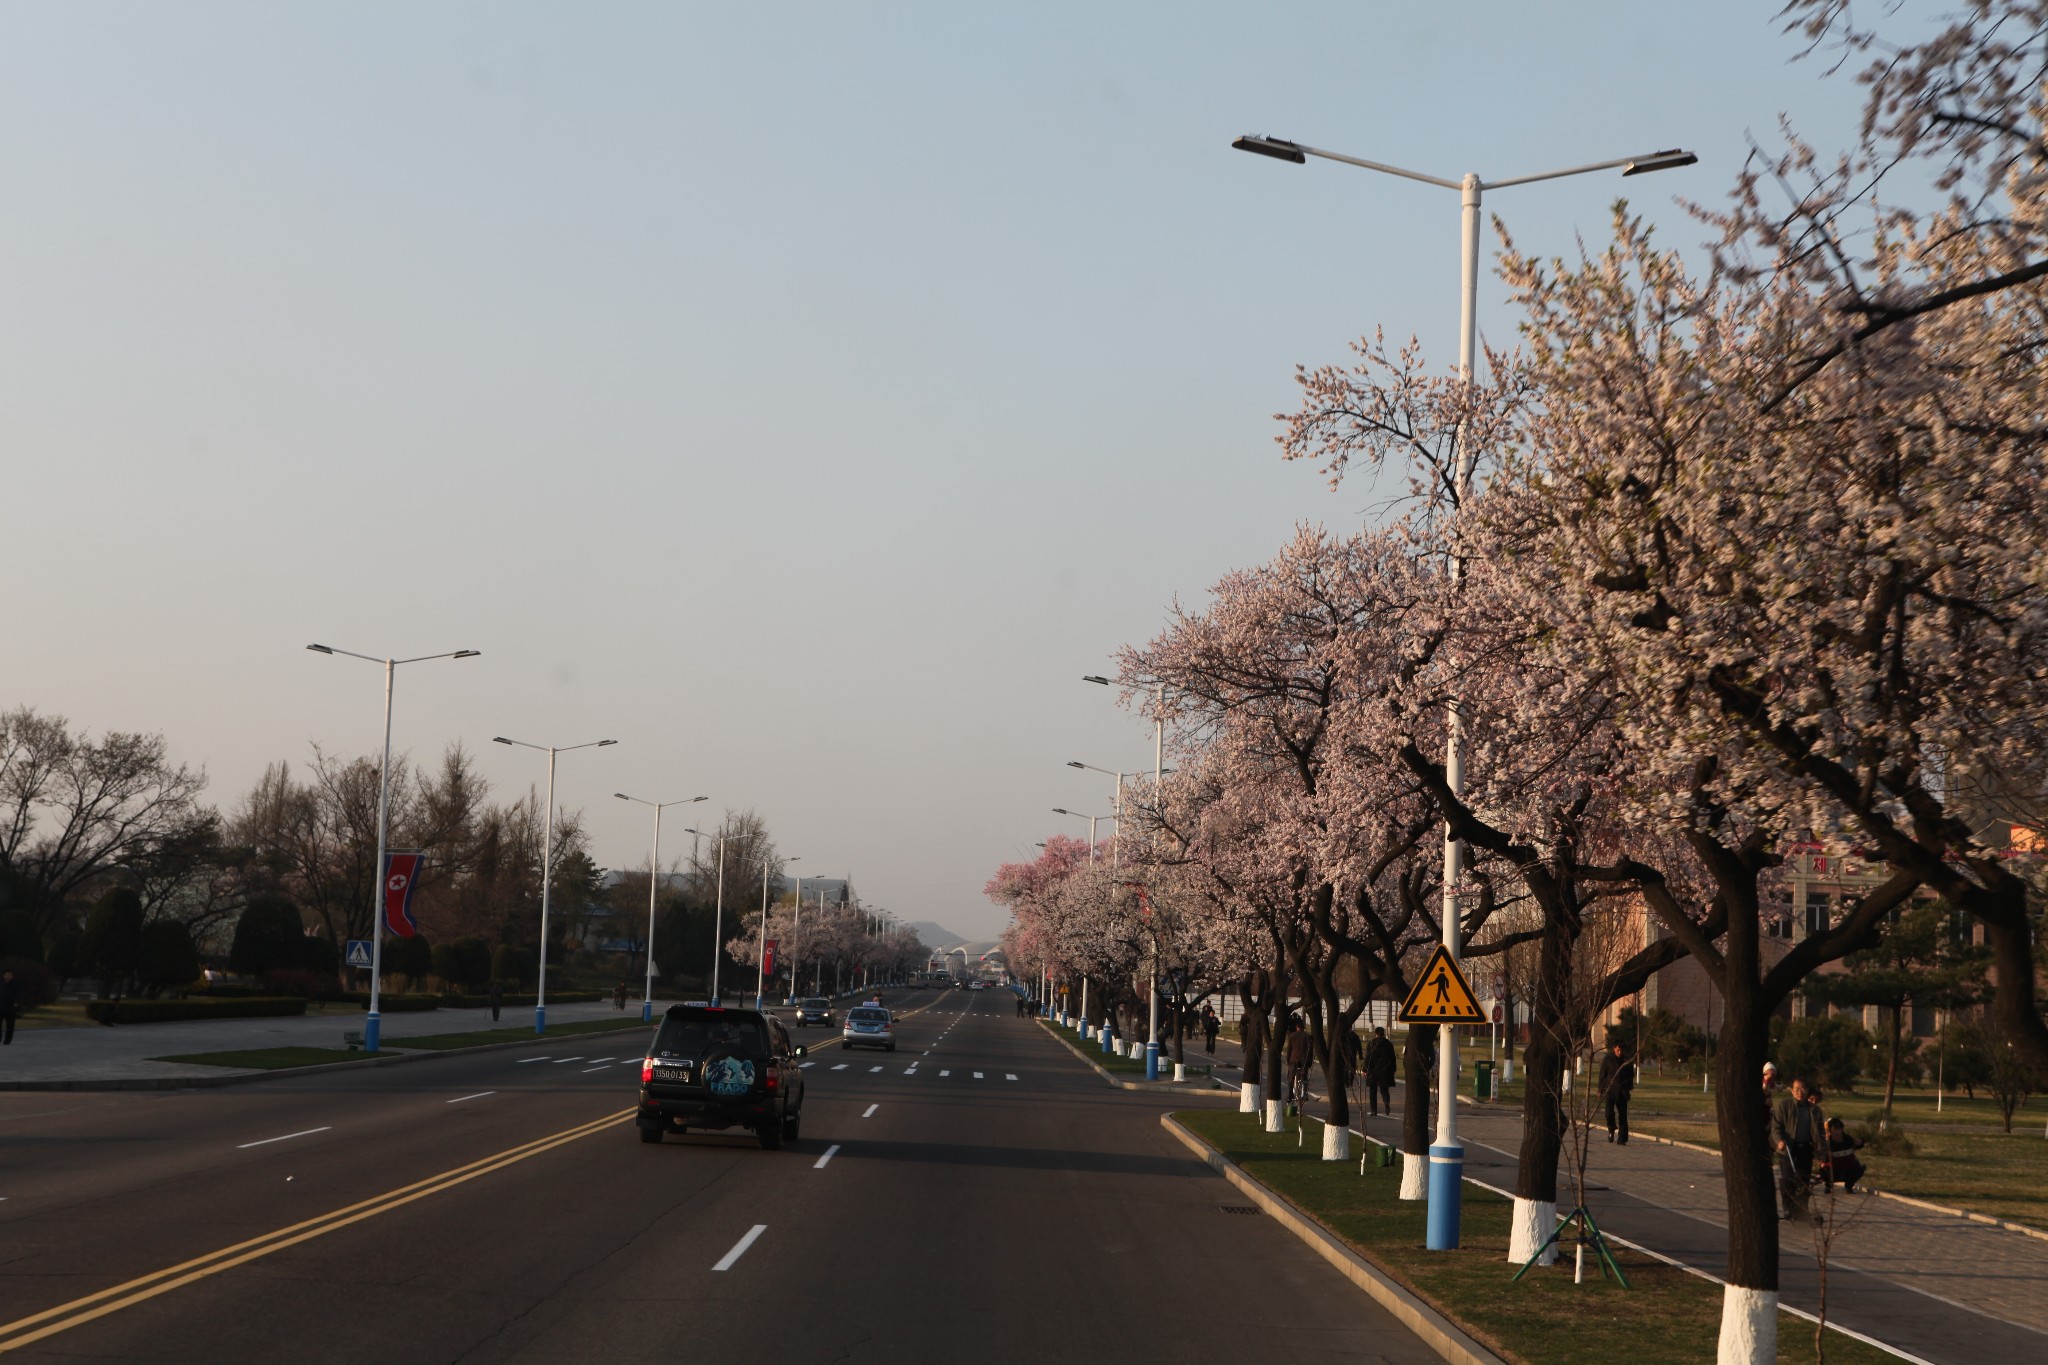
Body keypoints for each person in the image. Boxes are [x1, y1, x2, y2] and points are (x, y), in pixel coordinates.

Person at [1772, 1077, 1821, 1219]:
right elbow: (1776, 1127)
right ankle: (1788, 1209)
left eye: (1803, 1089)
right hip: (1787, 1149)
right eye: (1797, 1089)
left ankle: (1802, 1209)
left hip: (1805, 1149)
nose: (1800, 1092)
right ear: (1792, 1091)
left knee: (1804, 1181)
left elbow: (1820, 1133)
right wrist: (1779, 1140)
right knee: (1788, 1180)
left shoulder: (1814, 1110)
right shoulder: (1784, 1105)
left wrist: (1821, 1152)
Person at [1598, 1041, 1636, 1145]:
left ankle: (1622, 1139)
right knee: (1608, 1113)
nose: (1620, 1052)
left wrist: (1628, 1090)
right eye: (1618, 1049)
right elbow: (1602, 1075)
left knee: (1623, 1115)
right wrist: (1600, 1090)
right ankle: (1611, 1129)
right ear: (1614, 1048)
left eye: (1621, 1050)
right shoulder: (1608, 1059)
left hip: (1622, 1091)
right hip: (1610, 1091)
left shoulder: (1627, 1061)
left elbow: (1630, 1076)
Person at [1821, 1116, 1867, 1193]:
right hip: (1834, 1170)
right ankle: (1828, 1185)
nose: (1838, 1132)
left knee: (1859, 1169)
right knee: (1823, 1170)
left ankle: (1849, 1186)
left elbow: (1857, 1145)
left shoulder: (1848, 1139)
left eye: (1839, 1129)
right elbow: (1822, 1157)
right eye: (1835, 1130)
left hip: (1848, 1168)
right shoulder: (1828, 1143)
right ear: (1830, 1131)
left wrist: (1860, 1142)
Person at [1363, 1026, 1397, 1116]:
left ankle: (1374, 1111)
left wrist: (1364, 1069)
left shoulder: (1371, 1043)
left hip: (1373, 1071)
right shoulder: (1389, 1044)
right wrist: (1393, 1069)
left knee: (1373, 1091)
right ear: (1383, 1033)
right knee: (1384, 1090)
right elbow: (1393, 1058)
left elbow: (1368, 1058)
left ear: (1376, 1033)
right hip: (1385, 1070)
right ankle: (1386, 1102)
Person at [1284, 1016, 1311, 1114]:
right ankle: (1305, 1092)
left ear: (1296, 1027)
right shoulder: (1307, 1036)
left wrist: (1288, 1061)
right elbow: (1310, 1050)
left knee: (1290, 1078)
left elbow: (1289, 1050)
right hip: (1304, 1061)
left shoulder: (1291, 1036)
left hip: (1294, 1060)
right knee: (1304, 1077)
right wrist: (1309, 1062)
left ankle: (1290, 1095)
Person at [0, 968, 20, 1045]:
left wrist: (16, 1002)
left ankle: (7, 1041)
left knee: (10, 1026)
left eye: (10, 975)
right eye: (7, 975)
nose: (8, 976)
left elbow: (18, 994)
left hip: (10, 1008)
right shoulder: (1, 984)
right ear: (4, 976)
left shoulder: (16, 984)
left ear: (12, 976)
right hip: (0, 1007)